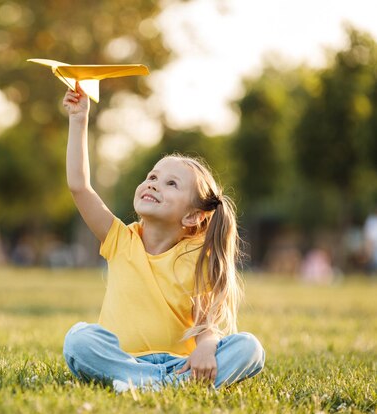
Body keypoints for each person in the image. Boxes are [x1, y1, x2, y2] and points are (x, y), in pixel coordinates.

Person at [60, 84, 265, 392]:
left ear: (193, 216)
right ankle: (160, 385)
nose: (153, 184)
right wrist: (79, 119)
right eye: (153, 177)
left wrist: (207, 348)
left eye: (171, 183)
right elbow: (79, 186)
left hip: (177, 363)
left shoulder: (197, 257)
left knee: (250, 348)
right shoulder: (119, 239)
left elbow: (204, 324)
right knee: (78, 339)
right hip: (122, 359)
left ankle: (147, 384)